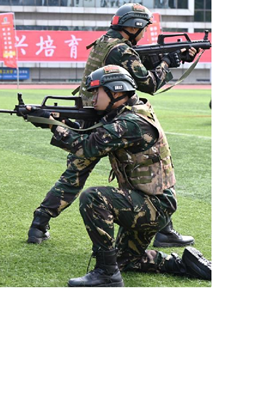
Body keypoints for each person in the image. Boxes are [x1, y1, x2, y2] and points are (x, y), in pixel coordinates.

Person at [27, 2, 195, 247]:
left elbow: (132, 69)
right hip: (110, 120)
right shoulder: (122, 50)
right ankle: (163, 230)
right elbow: (148, 83)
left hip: (97, 115)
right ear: (134, 27)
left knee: (77, 174)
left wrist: (172, 57)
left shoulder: (107, 42)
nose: (145, 33)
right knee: (147, 164)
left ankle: (39, 225)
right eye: (143, 28)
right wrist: (167, 63)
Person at [60, 66, 211, 286]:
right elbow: (97, 137)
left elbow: (87, 147)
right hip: (150, 201)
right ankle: (181, 264)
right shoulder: (129, 113)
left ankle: (106, 275)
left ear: (116, 91)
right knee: (125, 260)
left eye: (97, 92)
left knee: (93, 198)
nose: (93, 98)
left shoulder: (130, 122)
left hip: (153, 205)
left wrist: (54, 127)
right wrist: (64, 124)